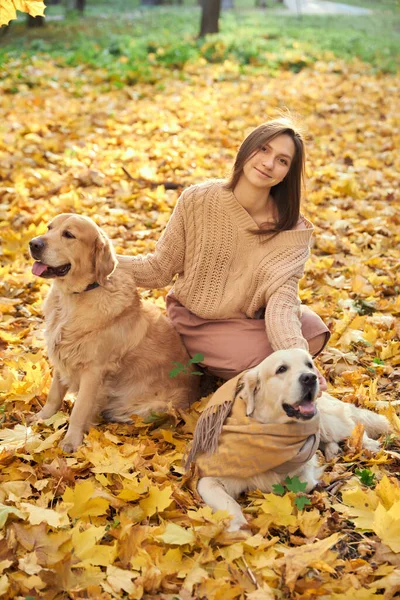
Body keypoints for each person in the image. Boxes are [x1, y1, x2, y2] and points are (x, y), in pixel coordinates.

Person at [121, 117, 329, 387]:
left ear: (288, 173)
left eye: (282, 160)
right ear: (247, 149)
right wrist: (94, 260)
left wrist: (299, 364)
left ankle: (246, 372)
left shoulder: (291, 229)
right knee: (260, 357)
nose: (268, 163)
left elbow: (282, 304)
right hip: (198, 322)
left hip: (251, 322)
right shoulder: (197, 199)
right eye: (264, 149)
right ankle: (219, 368)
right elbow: (158, 269)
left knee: (312, 329)